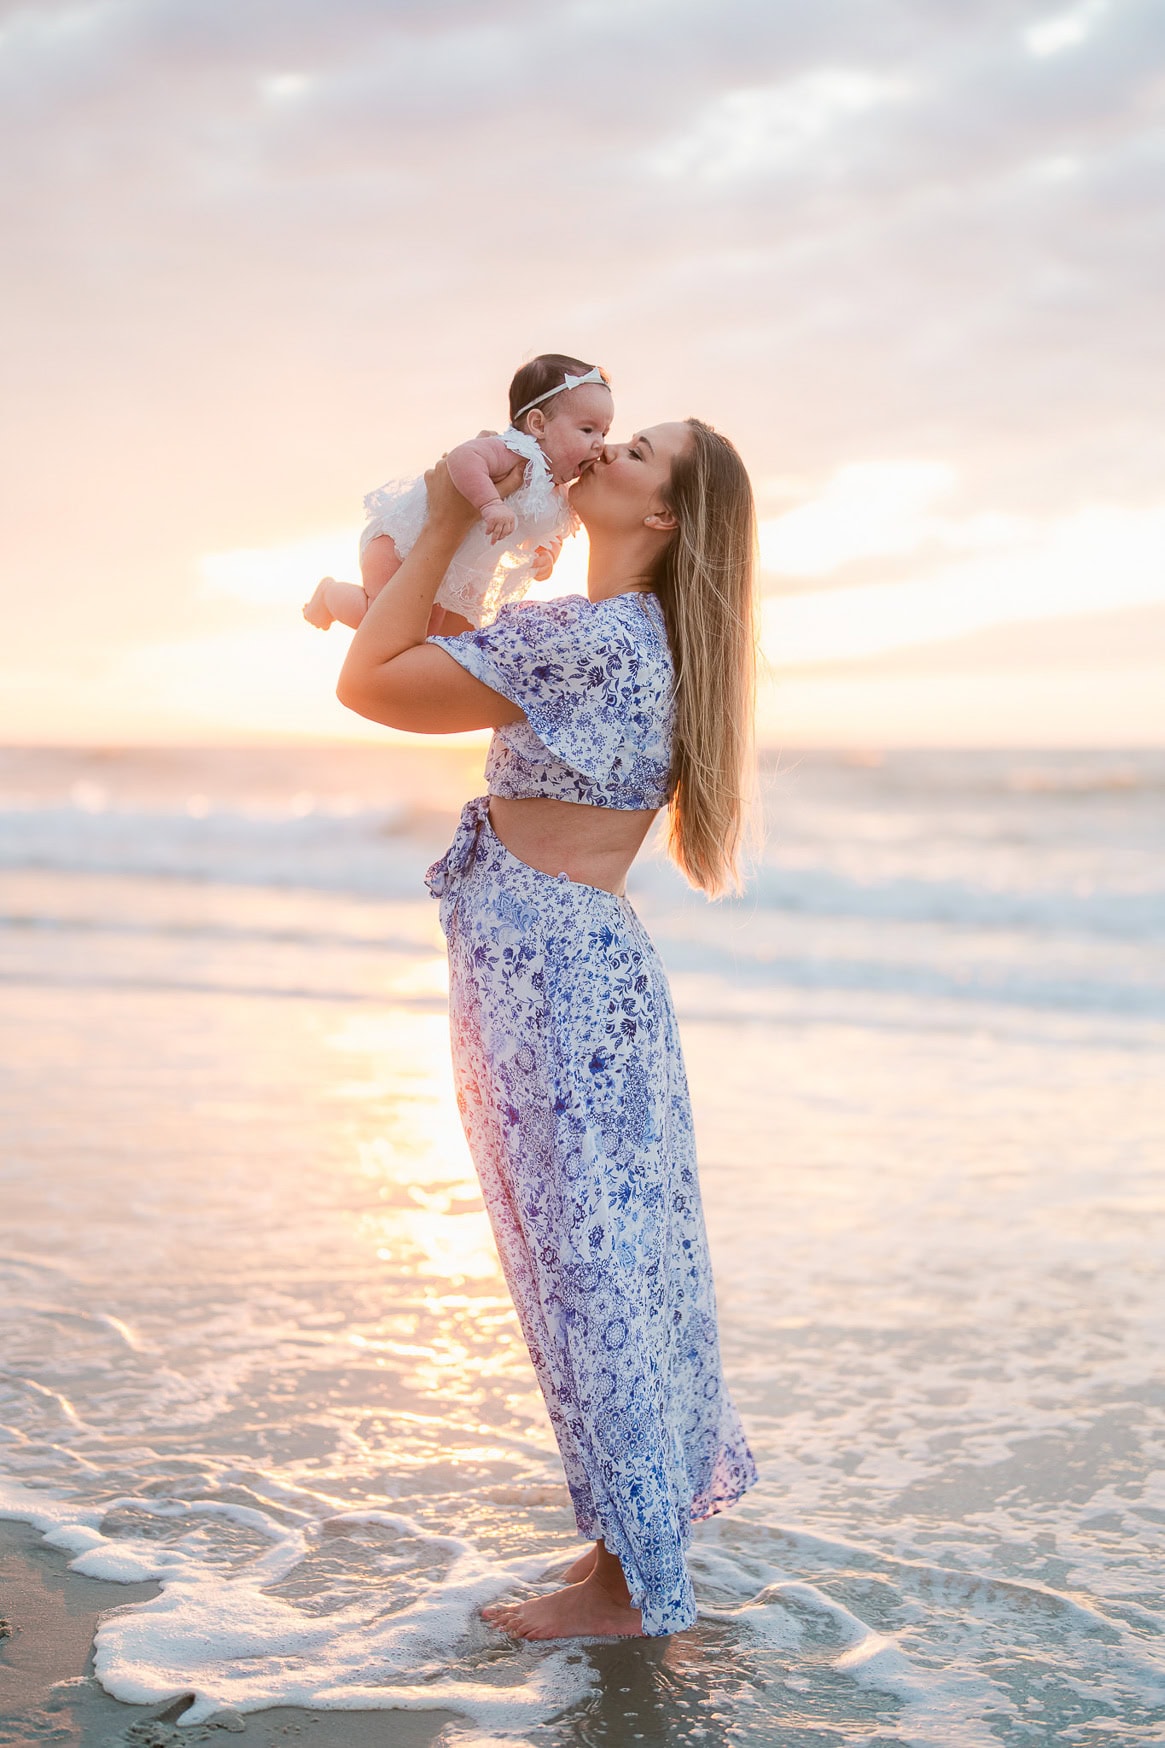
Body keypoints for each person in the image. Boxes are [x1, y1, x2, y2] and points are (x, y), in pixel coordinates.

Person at [335, 416, 760, 1640]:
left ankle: (627, 1590)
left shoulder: (594, 636)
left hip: (554, 985)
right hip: (584, 971)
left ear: (665, 517)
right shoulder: (638, 636)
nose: (603, 451)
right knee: (616, 1270)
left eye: (634, 454)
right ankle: (623, 1562)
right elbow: (451, 646)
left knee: (588, 1275)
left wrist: (445, 502)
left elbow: (371, 680)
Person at [303, 355, 613, 634]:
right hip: (404, 545)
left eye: (604, 432)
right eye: (587, 430)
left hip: (456, 572)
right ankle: (330, 595)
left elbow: (551, 530)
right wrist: (490, 503)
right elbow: (462, 459)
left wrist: (547, 555)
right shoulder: (517, 451)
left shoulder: (559, 491)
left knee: (443, 640)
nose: (599, 443)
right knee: (384, 620)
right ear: (538, 424)